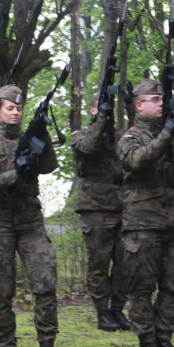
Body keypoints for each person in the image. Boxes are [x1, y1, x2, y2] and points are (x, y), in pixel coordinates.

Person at [0, 84, 69, 347]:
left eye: (19, 109)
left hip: (30, 221)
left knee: (45, 284)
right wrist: (16, 172)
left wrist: (43, 138)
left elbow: (50, 166)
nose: (15, 113)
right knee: (1, 293)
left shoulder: (31, 140)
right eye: (9, 108)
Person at [118, 78, 174, 347]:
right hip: (143, 224)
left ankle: (165, 338)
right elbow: (137, 162)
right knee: (142, 287)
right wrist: (166, 134)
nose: (160, 104)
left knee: (173, 285)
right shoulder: (130, 137)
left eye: (162, 99)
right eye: (154, 100)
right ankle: (147, 343)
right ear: (139, 105)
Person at [71, 98, 130, 333]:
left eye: (111, 109)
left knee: (125, 261)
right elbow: (88, 147)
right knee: (99, 262)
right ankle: (102, 311)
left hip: (122, 204)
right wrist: (100, 120)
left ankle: (117, 308)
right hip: (95, 207)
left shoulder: (120, 135)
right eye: (102, 108)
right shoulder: (81, 134)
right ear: (92, 110)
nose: (109, 112)